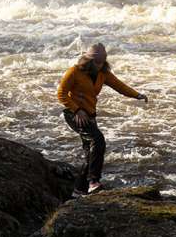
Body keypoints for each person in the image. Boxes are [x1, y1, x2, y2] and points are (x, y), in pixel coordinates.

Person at [57, 42, 147, 194]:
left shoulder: (103, 73)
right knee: (98, 141)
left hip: (90, 115)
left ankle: (78, 190)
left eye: (102, 61)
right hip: (74, 114)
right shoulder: (74, 72)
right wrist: (77, 110)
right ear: (89, 60)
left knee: (90, 154)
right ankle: (93, 181)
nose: (100, 65)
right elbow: (61, 93)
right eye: (97, 62)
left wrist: (137, 95)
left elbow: (119, 86)